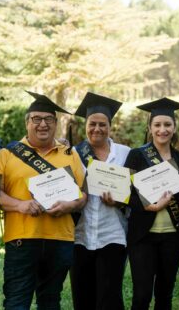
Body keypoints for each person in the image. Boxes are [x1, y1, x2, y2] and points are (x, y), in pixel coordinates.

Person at [0, 91, 87, 309]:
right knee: (17, 301)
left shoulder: (70, 153)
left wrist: (71, 205)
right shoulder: (7, 154)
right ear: (27, 123)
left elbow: (84, 193)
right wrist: (20, 205)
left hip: (60, 240)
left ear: (56, 123)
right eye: (36, 119)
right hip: (22, 239)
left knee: (51, 301)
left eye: (48, 119)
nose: (42, 124)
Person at [124, 98, 179, 310]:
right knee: (142, 295)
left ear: (175, 127)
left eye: (167, 124)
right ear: (150, 128)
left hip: (172, 236)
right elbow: (126, 192)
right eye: (158, 125)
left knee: (165, 294)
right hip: (143, 236)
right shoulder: (136, 155)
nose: (163, 129)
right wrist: (148, 205)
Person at [70, 92, 130, 310]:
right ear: (85, 125)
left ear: (110, 126)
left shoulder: (125, 154)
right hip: (80, 234)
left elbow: (136, 194)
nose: (97, 129)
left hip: (113, 233)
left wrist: (120, 201)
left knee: (110, 296)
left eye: (102, 124)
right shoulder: (73, 153)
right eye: (92, 124)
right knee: (82, 294)